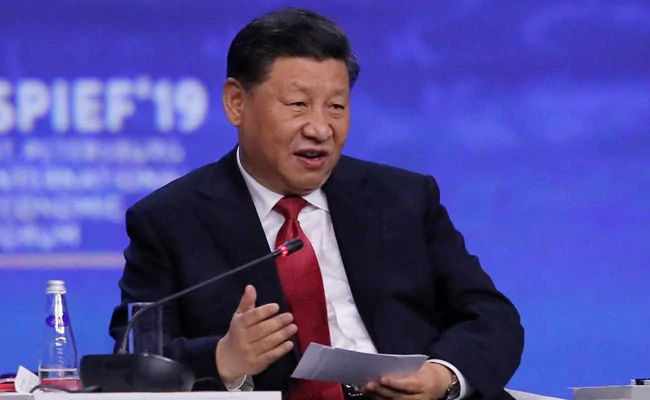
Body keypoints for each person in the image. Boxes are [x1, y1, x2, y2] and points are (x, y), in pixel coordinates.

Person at [110, 7, 524, 400]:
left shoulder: (404, 198)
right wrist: (222, 360)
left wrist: (441, 377)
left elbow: (491, 316)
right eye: (298, 105)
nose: (321, 129)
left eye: (336, 107)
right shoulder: (169, 220)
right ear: (237, 102)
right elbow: (134, 355)